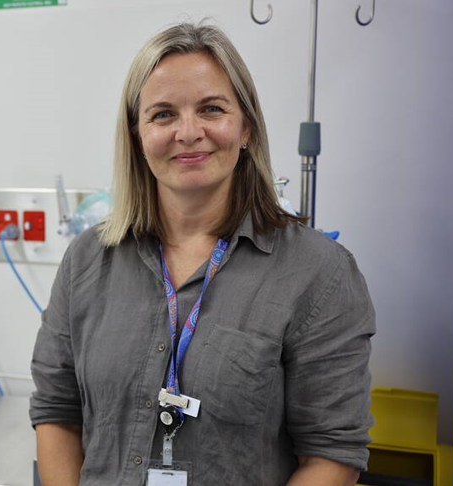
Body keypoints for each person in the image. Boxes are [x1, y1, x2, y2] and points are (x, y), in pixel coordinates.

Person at [29, 22, 375, 486]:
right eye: (163, 115)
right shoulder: (87, 261)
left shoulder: (318, 273)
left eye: (211, 109)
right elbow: (57, 412)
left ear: (246, 125)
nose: (188, 132)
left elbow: (332, 453)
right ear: (137, 136)